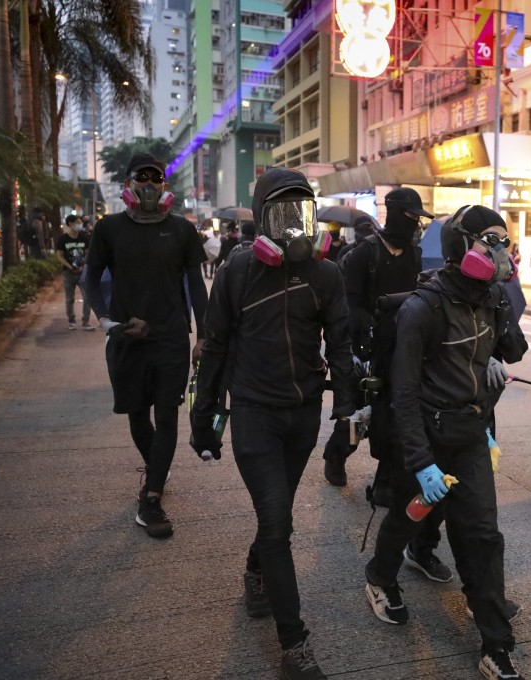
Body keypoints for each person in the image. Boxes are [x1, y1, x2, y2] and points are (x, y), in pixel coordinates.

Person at [191, 167, 352, 680]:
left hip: (302, 417)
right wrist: (203, 417)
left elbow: (342, 348)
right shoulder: (238, 271)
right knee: (279, 520)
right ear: (261, 218)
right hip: (255, 415)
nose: (292, 227)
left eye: (300, 213)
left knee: (273, 517)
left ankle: (257, 569)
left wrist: (346, 411)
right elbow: (214, 347)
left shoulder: (327, 275)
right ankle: (294, 646)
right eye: (280, 214)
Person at [364, 204, 528, 680]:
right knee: (410, 516)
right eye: (489, 242)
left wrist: (499, 346)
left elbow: (512, 349)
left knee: (482, 537)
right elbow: (404, 393)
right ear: (461, 247)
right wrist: (420, 463)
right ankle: (379, 574)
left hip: (472, 437)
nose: (500, 252)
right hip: (427, 441)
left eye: (504, 242)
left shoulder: (493, 297)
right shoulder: (423, 308)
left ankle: (496, 645)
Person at [330, 187, 455, 583]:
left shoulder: (417, 255)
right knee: (362, 418)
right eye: (411, 217)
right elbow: (350, 304)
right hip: (372, 350)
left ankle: (386, 480)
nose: (416, 225)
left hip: (406, 349)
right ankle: (336, 454)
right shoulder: (365, 253)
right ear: (394, 214)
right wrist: (370, 329)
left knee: (394, 421)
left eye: (420, 220)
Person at [83, 153, 208, 539]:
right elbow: (90, 280)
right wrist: (107, 322)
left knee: (168, 414)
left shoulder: (183, 231)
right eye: (144, 177)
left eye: (158, 178)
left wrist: (203, 336)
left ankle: (151, 499)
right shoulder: (109, 228)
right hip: (126, 339)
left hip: (170, 338)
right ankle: (157, 465)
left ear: (166, 187)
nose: (151, 185)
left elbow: (198, 287)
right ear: (130, 184)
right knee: (138, 416)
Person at [55, 214, 93, 331]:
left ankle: (85, 322)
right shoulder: (63, 239)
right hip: (68, 273)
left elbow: (87, 253)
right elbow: (60, 256)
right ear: (70, 224)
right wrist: (70, 267)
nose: (80, 224)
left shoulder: (84, 237)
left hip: (82, 273)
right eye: (77, 222)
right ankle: (71, 321)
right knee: (69, 298)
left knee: (88, 298)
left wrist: (83, 266)